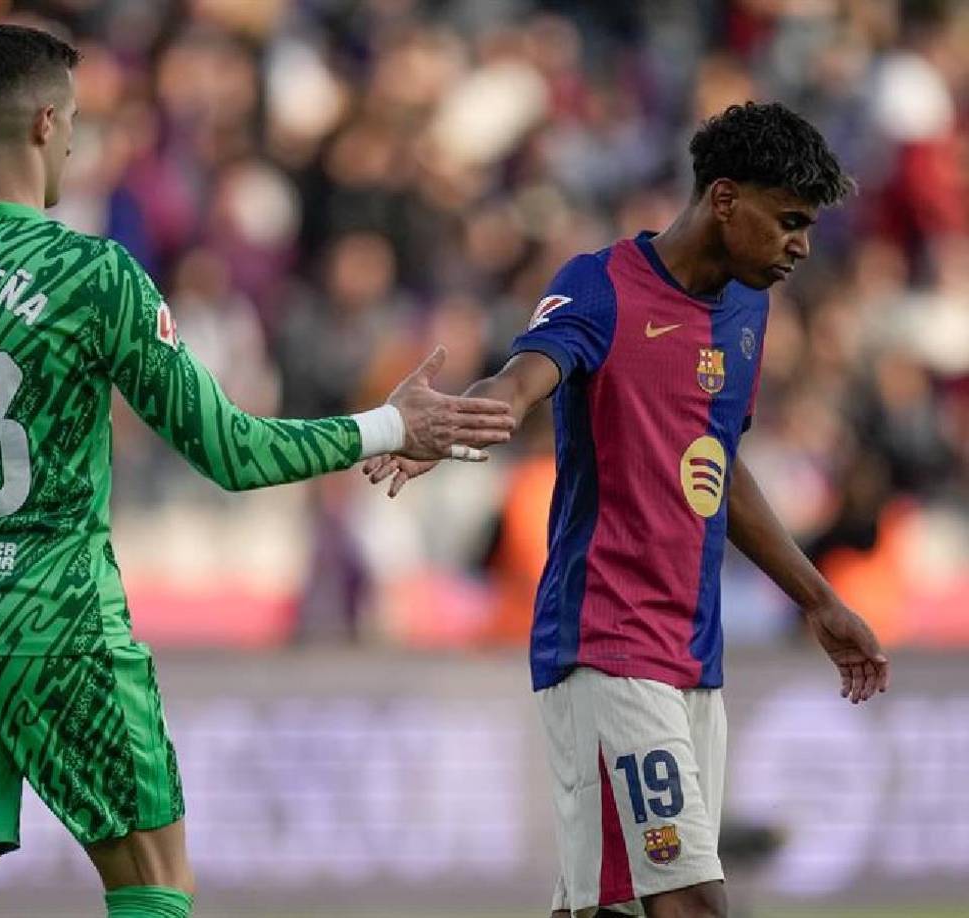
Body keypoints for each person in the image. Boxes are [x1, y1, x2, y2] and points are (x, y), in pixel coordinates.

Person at [0, 24, 515, 918]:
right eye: (80, 121)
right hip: (58, 629)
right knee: (153, 889)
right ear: (47, 123)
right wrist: (392, 422)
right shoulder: (93, 277)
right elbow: (235, 453)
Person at [364, 101, 891, 918]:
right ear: (724, 199)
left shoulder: (747, 309)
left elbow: (717, 464)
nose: (802, 246)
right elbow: (520, 380)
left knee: (605, 908)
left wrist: (818, 600)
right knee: (692, 904)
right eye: (789, 221)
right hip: (606, 640)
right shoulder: (601, 286)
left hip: (692, 649)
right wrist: (455, 423)